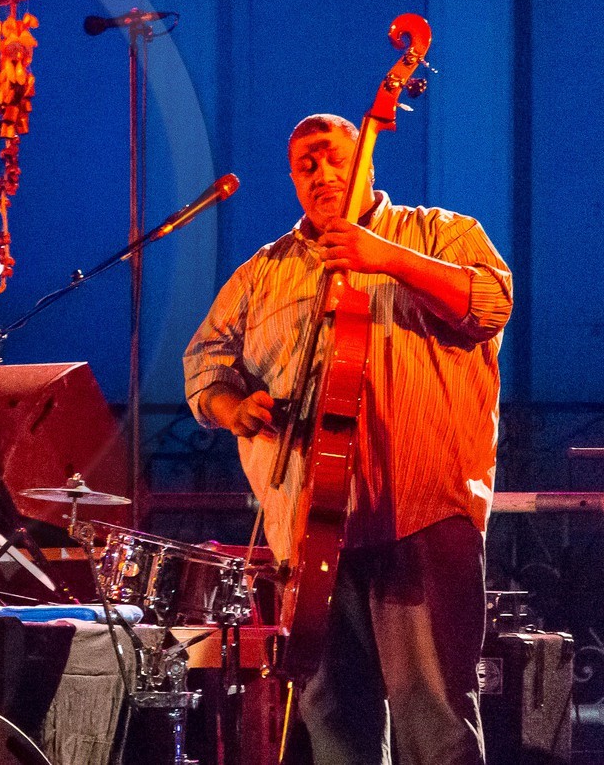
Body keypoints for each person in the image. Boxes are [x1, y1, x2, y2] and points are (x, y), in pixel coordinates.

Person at [183, 113, 513, 765]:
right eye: (304, 165)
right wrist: (231, 407)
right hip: (308, 534)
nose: (320, 174)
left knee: (436, 725)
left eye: (331, 156)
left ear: (364, 155)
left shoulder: (438, 233)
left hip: (419, 515)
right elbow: (205, 366)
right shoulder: (261, 274)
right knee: (335, 728)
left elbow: (490, 301)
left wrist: (383, 257)